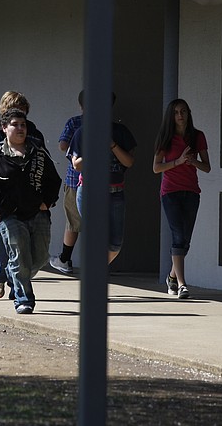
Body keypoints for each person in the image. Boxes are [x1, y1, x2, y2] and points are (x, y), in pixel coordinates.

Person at [0, 108, 61, 315]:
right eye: (15, 124)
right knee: (19, 257)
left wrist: (47, 202)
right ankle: (24, 300)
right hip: (10, 217)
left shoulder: (38, 152)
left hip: (38, 213)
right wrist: (4, 205)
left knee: (40, 257)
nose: (20, 128)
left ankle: (14, 275)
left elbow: (54, 180)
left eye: (23, 125)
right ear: (5, 128)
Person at [68, 90, 136, 266]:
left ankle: (96, 270)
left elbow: (128, 162)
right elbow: (77, 165)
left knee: (115, 244)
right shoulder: (82, 132)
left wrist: (111, 144)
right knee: (96, 239)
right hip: (90, 192)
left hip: (116, 193)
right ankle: (95, 277)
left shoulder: (120, 131)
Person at [152, 98, 211, 300]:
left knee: (185, 240)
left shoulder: (197, 136)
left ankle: (171, 276)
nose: (180, 115)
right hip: (170, 192)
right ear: (171, 116)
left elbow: (207, 167)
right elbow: (156, 167)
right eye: (176, 112)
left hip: (191, 192)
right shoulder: (165, 138)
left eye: (183, 111)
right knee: (178, 236)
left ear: (188, 113)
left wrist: (192, 160)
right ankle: (183, 284)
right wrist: (177, 162)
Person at [50, 91, 83, 275]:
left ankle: (64, 258)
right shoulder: (108, 125)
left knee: (73, 221)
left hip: (74, 179)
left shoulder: (75, 122)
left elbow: (62, 145)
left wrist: (77, 144)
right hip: (104, 180)